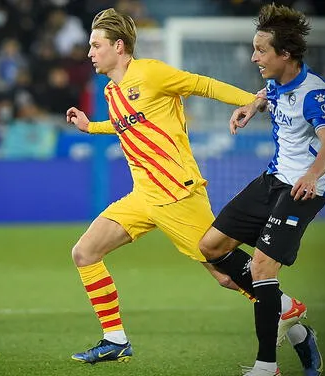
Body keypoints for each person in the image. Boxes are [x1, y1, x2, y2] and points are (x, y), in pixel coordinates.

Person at [65, 7, 294, 365]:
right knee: (84, 252)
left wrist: (252, 100)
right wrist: (90, 127)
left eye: (96, 45)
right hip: (143, 196)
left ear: (119, 46)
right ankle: (115, 339)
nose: (89, 53)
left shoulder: (152, 74)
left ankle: (290, 316)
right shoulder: (112, 92)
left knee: (226, 277)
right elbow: (125, 125)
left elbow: (201, 84)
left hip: (177, 194)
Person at [199, 3, 325, 375]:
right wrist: (252, 106)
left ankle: (266, 367)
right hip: (273, 179)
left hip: (303, 190)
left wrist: (312, 175)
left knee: (263, 266)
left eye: (261, 50)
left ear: (286, 54)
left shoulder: (317, 93)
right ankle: (286, 311)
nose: (253, 57)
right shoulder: (275, 82)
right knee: (210, 247)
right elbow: (268, 94)